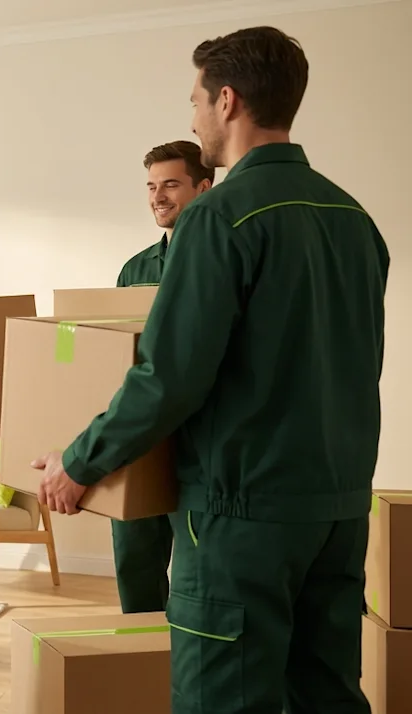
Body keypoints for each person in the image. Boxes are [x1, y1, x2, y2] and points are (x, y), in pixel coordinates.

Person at [31, 26, 388, 714]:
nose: (193, 117)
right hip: (338, 510)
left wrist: (80, 462)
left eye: (195, 100)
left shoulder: (219, 218)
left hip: (241, 518)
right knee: (327, 695)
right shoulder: (354, 220)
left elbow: (169, 375)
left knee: (224, 700)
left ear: (227, 101)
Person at [110, 140, 213, 615]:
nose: (158, 196)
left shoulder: (221, 259)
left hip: (202, 445)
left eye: (171, 184)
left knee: (199, 574)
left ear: (203, 187)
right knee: (135, 564)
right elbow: (113, 355)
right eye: (152, 186)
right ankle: (142, 673)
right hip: (140, 440)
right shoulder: (134, 269)